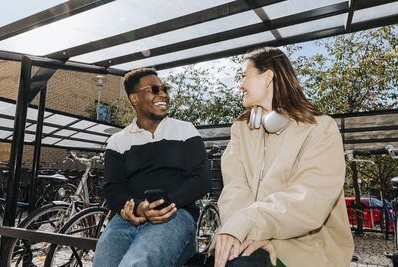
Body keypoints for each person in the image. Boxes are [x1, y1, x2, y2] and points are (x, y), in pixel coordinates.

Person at [213, 47, 354, 267]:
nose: (240, 85)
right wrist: (245, 230)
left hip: (302, 251)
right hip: (247, 240)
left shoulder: (320, 129)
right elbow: (234, 189)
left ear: (267, 77)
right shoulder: (240, 129)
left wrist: (253, 223)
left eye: (243, 76)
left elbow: (308, 199)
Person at [93, 68, 211, 267]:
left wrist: (160, 206)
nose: (163, 94)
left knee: (137, 264)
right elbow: (112, 189)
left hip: (176, 215)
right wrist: (139, 207)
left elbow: (202, 179)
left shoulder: (185, 130)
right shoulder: (118, 141)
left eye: (164, 89)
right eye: (154, 89)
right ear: (135, 99)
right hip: (127, 220)